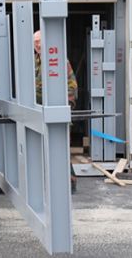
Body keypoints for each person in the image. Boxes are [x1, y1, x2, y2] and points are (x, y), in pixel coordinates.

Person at [33, 30, 79, 191]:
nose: (37, 45)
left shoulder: (57, 60)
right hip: (40, 113)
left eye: (40, 41)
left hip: (56, 114)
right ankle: (51, 185)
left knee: (60, 150)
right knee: (45, 150)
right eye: (35, 42)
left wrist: (65, 109)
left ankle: (69, 184)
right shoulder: (36, 60)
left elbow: (72, 86)